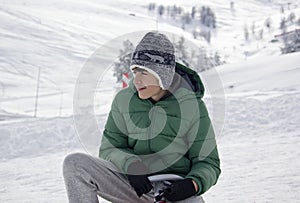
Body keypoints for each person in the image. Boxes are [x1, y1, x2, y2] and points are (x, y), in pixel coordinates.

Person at [63, 32, 221, 203]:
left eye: (144, 73)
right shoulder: (123, 100)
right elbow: (109, 149)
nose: (136, 80)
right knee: (75, 164)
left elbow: (208, 163)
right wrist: (131, 165)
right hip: (134, 186)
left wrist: (192, 185)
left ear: (164, 75)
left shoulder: (192, 106)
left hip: (175, 192)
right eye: (135, 72)